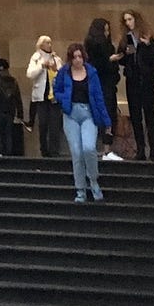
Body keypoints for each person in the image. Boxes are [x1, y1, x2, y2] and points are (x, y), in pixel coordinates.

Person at [54, 43, 111, 203]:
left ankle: (93, 180)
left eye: (80, 56)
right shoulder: (64, 72)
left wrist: (106, 120)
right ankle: (80, 189)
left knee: (89, 148)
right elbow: (56, 90)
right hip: (71, 114)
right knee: (76, 153)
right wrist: (63, 99)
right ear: (70, 59)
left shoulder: (91, 73)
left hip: (88, 114)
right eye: (74, 57)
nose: (77, 60)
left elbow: (99, 97)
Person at [118, 8, 154, 159]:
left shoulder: (147, 36)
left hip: (146, 80)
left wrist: (148, 45)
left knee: (150, 115)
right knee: (135, 116)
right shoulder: (126, 39)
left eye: (130, 19)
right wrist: (124, 55)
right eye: (125, 20)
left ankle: (153, 149)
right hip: (133, 80)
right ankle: (140, 149)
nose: (128, 23)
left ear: (136, 19)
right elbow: (123, 59)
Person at [85, 16, 122, 143]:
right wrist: (108, 60)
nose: (107, 33)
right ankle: (101, 142)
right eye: (104, 30)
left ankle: (108, 144)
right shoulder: (92, 45)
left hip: (109, 84)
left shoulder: (109, 46)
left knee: (110, 115)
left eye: (108, 30)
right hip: (98, 84)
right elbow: (93, 65)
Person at [26, 35, 63, 158]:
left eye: (50, 42)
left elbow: (62, 74)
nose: (49, 45)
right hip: (41, 97)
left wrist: (55, 69)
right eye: (47, 43)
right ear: (41, 44)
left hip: (54, 97)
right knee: (43, 124)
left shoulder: (56, 58)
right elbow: (30, 74)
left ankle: (54, 151)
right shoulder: (36, 58)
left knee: (55, 125)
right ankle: (44, 150)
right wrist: (42, 66)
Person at [0, 58, 25, 156]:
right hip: (10, 111)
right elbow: (18, 99)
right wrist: (20, 114)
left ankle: (0, 153)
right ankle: (8, 154)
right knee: (8, 133)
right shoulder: (13, 81)